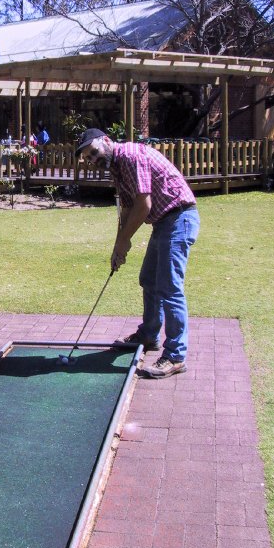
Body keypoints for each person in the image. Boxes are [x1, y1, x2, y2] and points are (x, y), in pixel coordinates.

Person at [75, 128, 200, 378]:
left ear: (107, 142)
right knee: (149, 280)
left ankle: (175, 356)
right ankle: (149, 335)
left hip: (178, 218)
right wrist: (118, 245)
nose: (93, 159)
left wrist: (124, 241)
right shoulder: (116, 167)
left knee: (169, 287)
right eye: (88, 157)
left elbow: (144, 205)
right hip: (164, 222)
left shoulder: (131, 156)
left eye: (94, 151)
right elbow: (127, 209)